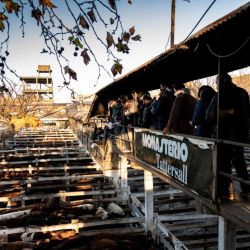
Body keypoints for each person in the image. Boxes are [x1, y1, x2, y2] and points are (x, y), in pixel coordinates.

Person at [206, 73, 250, 199]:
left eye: (217, 82)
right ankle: (246, 188)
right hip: (240, 135)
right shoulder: (243, 93)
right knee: (239, 161)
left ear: (220, 82)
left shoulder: (220, 95)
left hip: (224, 134)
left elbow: (210, 116)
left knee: (224, 163)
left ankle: (226, 191)